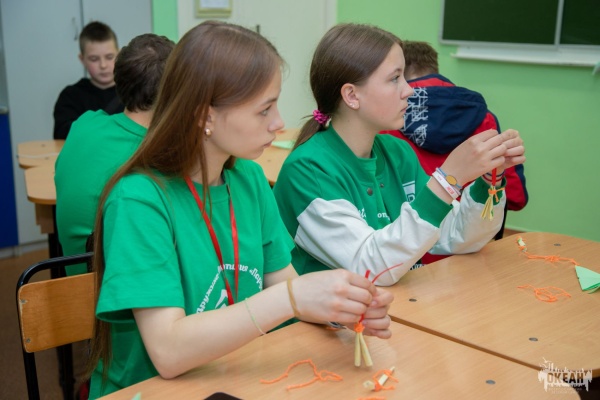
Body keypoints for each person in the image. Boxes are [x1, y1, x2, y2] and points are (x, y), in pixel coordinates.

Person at [85, 21, 393, 398]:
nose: (279, 123)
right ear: (205, 116)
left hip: (238, 376)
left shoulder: (248, 179)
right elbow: (167, 351)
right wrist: (292, 298)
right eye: (264, 110)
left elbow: (284, 283)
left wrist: (341, 305)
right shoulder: (139, 200)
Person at [273, 23, 526, 286]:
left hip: (394, 304)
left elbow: (456, 237)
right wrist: (447, 180)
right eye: (395, 79)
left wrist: (489, 177)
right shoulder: (308, 170)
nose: (409, 90)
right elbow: (370, 269)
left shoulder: (398, 151)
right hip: (334, 312)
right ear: (351, 95)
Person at [380, 40, 529, 262]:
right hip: (468, 255)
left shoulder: (388, 122)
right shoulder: (484, 117)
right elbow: (516, 198)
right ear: (434, 67)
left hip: (414, 252)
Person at [55, 33, 175, 276]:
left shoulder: (84, 124)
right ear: (175, 89)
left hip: (74, 283)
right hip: (120, 287)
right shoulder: (158, 154)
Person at [53, 21, 124, 140]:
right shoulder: (70, 96)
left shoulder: (134, 93)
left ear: (119, 55)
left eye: (109, 57)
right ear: (82, 59)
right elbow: (62, 135)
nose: (103, 65)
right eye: (94, 59)